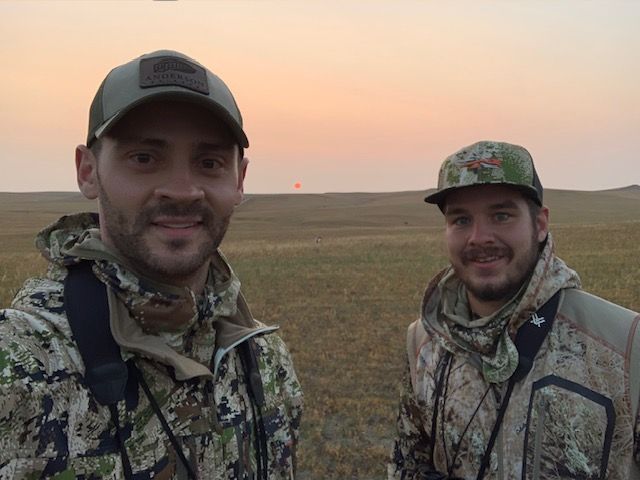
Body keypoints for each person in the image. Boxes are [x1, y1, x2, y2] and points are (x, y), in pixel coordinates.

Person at [0, 50, 302, 479]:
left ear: (239, 181)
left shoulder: (265, 360)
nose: (182, 190)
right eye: (144, 158)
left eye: (209, 162)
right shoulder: (20, 365)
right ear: (88, 171)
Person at [388, 141, 640, 479]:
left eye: (501, 215)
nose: (479, 237)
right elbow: (408, 464)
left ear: (540, 225)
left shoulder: (625, 346)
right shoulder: (423, 342)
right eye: (461, 220)